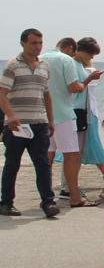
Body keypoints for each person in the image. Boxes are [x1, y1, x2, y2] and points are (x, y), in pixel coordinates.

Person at [0, 29, 60, 218]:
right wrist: (10, 115)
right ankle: (6, 202)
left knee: (42, 163)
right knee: (12, 164)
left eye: (40, 43)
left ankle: (48, 202)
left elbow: (46, 94)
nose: (37, 46)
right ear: (23, 44)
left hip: (39, 123)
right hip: (16, 125)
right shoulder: (13, 65)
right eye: (33, 43)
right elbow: (2, 93)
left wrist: (50, 120)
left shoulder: (44, 66)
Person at [41, 37, 102, 207]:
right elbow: (74, 87)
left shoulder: (42, 59)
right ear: (71, 48)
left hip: (45, 113)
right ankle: (73, 195)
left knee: (48, 156)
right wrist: (86, 83)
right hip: (65, 112)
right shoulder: (66, 60)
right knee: (72, 154)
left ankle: (46, 194)